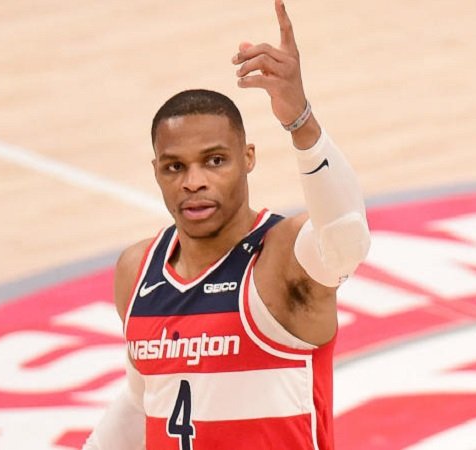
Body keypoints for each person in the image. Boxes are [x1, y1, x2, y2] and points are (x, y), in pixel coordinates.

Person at [83, 1, 370, 449]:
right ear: (156, 171)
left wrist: (301, 122)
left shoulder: (280, 258)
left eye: (214, 161)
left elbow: (346, 237)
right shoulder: (136, 270)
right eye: (175, 167)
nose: (194, 182)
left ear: (247, 158)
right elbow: (142, 401)